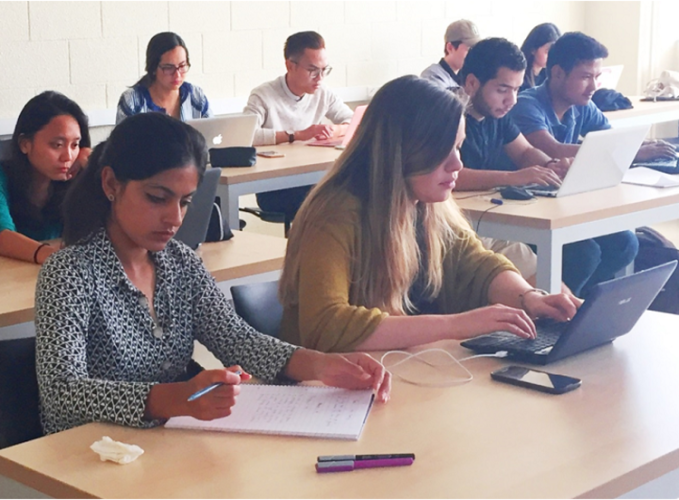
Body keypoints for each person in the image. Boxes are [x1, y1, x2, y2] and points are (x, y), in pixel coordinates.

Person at [35, 113, 390, 435]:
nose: (174, 218)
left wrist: (323, 365)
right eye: (157, 198)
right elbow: (62, 392)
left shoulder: (180, 263)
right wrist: (174, 399)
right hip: (88, 454)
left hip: (163, 444)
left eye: (185, 201)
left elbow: (237, 340)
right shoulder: (69, 273)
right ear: (111, 184)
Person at [278, 76, 580, 353]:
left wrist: (529, 298)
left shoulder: (427, 205)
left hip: (398, 367)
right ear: (402, 151)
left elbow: (475, 263)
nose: (457, 164)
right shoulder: (334, 214)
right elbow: (326, 326)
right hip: (329, 383)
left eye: (458, 147)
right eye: (442, 151)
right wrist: (455, 326)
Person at [460, 38, 637, 296]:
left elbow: (525, 152)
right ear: (472, 83)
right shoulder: (451, 116)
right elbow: (454, 176)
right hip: (472, 223)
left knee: (623, 243)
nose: (511, 100)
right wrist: (514, 177)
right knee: (582, 254)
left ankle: (582, 308)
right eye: (503, 90)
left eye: (516, 90)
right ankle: (557, 312)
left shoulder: (498, 115)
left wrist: (551, 166)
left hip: (496, 213)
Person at [510, 31, 675, 163]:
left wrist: (641, 144)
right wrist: (630, 152)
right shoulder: (526, 105)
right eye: (586, 77)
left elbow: (610, 139)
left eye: (596, 77)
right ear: (558, 73)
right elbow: (553, 151)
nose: (594, 87)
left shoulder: (582, 104)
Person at [244, 31, 353, 222]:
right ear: (290, 66)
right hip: (275, 186)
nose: (320, 78)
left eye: (324, 70)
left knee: (349, 192)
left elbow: (354, 121)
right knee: (330, 199)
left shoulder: (323, 93)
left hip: (312, 177)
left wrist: (335, 130)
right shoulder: (263, 95)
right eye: (312, 70)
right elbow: (246, 135)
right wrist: (296, 135)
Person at [0, 91, 91, 264]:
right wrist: (51, 256)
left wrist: (93, 168)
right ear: (25, 144)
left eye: (75, 145)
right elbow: (2, 237)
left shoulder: (75, 180)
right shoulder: (2, 177)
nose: (68, 156)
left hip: (51, 273)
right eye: (57, 145)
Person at [116, 32, 212, 124]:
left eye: (182, 66)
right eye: (169, 68)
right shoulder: (132, 101)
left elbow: (213, 131)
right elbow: (122, 136)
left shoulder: (196, 97)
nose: (177, 75)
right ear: (153, 68)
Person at [421, 19, 481, 91]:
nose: (473, 54)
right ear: (450, 48)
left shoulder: (465, 76)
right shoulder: (432, 77)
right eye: (469, 50)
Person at [519, 23, 561, 92]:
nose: (552, 56)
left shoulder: (547, 76)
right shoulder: (520, 76)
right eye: (547, 51)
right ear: (533, 50)